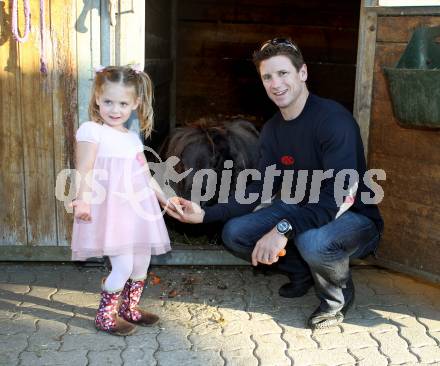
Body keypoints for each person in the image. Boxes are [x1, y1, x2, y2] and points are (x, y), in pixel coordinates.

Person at [166, 38, 384, 330]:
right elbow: (259, 188)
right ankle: (303, 271)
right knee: (235, 233)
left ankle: (337, 299)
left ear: (302, 73)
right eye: (267, 76)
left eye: (283, 73)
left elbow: (336, 199)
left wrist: (283, 228)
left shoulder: (334, 121)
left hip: (353, 216)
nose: (275, 83)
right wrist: (205, 214)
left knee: (313, 241)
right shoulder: (272, 130)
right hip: (301, 208)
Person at [71, 65, 174, 336]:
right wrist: (81, 200)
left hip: (136, 211)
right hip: (111, 211)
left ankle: (129, 308)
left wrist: (165, 198)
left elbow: (144, 175)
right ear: (96, 98)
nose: (114, 110)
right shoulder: (91, 130)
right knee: (124, 265)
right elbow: (84, 168)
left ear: (135, 103)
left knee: (141, 263)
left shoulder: (131, 138)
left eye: (122, 103)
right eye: (108, 102)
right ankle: (105, 316)